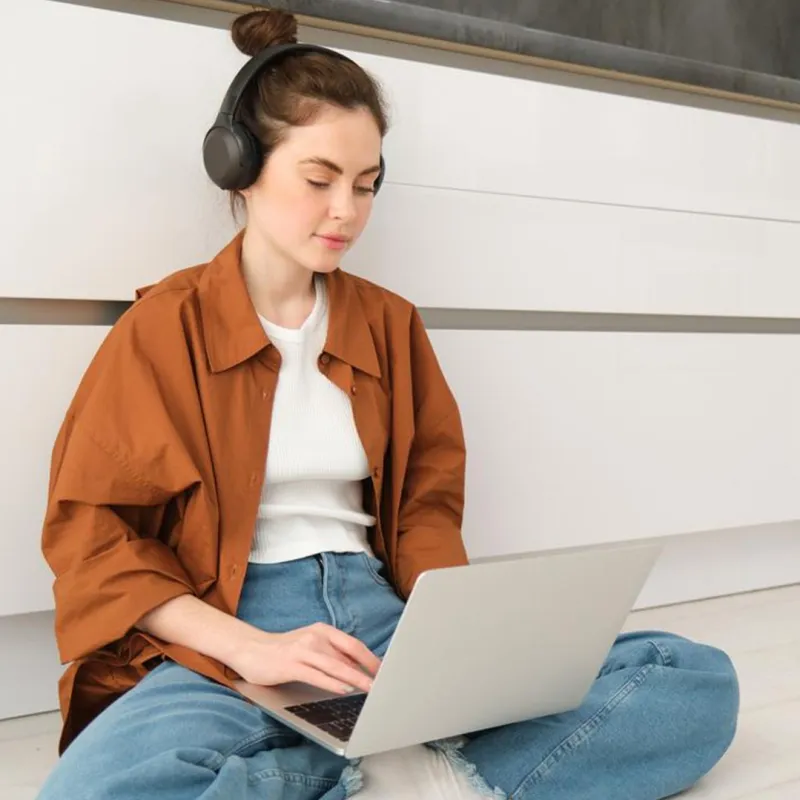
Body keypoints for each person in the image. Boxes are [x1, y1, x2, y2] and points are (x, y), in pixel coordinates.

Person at [37, 8, 739, 800]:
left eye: (366, 185)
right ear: (239, 166)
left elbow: (426, 507)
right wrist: (251, 650)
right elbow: (94, 539)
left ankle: (406, 772)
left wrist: (453, 653)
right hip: (232, 630)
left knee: (691, 680)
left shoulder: (389, 324)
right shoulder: (165, 327)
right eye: (319, 179)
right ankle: (404, 776)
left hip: (385, 615)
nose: (346, 210)